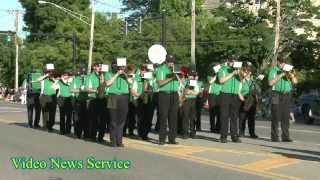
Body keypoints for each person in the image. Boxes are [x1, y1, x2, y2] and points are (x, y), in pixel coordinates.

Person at [268, 58, 298, 142]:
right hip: (276, 94)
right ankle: (274, 137)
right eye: (280, 63)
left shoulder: (290, 71)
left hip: (286, 95)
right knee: (275, 115)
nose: (282, 65)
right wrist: (281, 74)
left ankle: (285, 136)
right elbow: (270, 83)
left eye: (283, 63)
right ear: (278, 62)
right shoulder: (273, 71)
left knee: (285, 116)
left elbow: (295, 82)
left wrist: (291, 75)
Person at [104, 60, 132, 147]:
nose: (121, 67)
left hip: (124, 97)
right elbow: (108, 84)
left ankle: (119, 141)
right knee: (113, 120)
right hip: (113, 96)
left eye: (122, 66)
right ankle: (113, 141)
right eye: (118, 65)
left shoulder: (127, 74)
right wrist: (117, 74)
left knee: (122, 120)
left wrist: (125, 75)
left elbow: (131, 82)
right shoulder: (108, 73)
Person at [155, 55, 180, 145]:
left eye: (172, 61)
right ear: (166, 61)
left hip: (174, 94)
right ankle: (162, 139)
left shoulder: (176, 69)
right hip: (164, 94)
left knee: (173, 117)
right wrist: (171, 78)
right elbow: (160, 83)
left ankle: (172, 138)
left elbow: (181, 82)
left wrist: (180, 76)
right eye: (169, 61)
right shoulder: (161, 69)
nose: (171, 63)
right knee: (163, 116)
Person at [218, 58, 242, 143]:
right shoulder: (223, 69)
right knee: (224, 116)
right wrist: (232, 73)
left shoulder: (239, 70)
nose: (233, 63)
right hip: (225, 94)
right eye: (232, 61)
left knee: (234, 116)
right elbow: (221, 81)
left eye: (235, 61)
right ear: (228, 61)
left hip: (235, 95)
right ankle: (223, 136)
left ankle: (234, 136)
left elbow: (242, 80)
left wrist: (239, 73)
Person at [238, 62, 258, 138]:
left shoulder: (253, 81)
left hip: (251, 98)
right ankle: (241, 132)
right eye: (247, 71)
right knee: (242, 116)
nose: (248, 72)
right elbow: (238, 89)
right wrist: (240, 96)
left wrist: (256, 98)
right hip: (244, 98)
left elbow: (255, 90)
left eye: (249, 71)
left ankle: (252, 133)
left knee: (251, 117)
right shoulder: (241, 80)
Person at [84, 63, 101, 141]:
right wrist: (96, 90)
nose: (99, 67)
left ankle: (100, 137)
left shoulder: (103, 76)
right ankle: (92, 136)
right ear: (94, 67)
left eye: (100, 66)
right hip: (93, 99)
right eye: (98, 66)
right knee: (93, 119)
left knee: (101, 119)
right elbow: (87, 88)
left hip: (103, 99)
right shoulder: (90, 77)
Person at [181, 71, 200, 139]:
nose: (192, 77)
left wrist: (191, 92)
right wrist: (189, 91)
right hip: (186, 100)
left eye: (193, 76)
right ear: (188, 75)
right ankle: (185, 133)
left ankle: (192, 133)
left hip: (193, 100)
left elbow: (197, 92)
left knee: (193, 118)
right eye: (191, 75)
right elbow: (184, 91)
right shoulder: (185, 82)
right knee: (185, 117)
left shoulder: (195, 83)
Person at [39, 66, 58, 132]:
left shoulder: (55, 79)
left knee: (52, 113)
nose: (51, 73)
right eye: (49, 72)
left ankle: (50, 125)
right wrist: (46, 75)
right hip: (44, 97)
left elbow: (58, 85)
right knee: (45, 113)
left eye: (52, 72)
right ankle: (45, 126)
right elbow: (39, 79)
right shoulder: (44, 80)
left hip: (53, 97)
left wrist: (53, 79)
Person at [70, 68, 88, 138]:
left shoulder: (87, 79)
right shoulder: (75, 80)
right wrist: (80, 90)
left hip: (86, 101)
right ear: (79, 73)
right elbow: (71, 89)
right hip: (78, 101)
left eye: (84, 73)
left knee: (86, 118)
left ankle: (86, 134)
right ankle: (77, 133)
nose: (83, 75)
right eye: (81, 73)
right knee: (77, 118)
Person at [57, 71, 72, 135]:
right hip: (61, 98)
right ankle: (62, 130)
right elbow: (54, 87)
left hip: (69, 98)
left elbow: (67, 83)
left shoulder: (70, 81)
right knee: (62, 115)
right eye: (64, 75)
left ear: (68, 76)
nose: (65, 76)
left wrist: (62, 79)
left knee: (69, 116)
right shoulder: (59, 82)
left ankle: (68, 130)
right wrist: (56, 80)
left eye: (66, 75)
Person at [207, 65, 222, 133]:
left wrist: (219, 74)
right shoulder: (210, 76)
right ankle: (212, 128)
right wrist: (216, 75)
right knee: (212, 113)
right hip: (212, 95)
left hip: (220, 95)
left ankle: (218, 127)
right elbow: (210, 82)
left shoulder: (221, 76)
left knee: (219, 112)